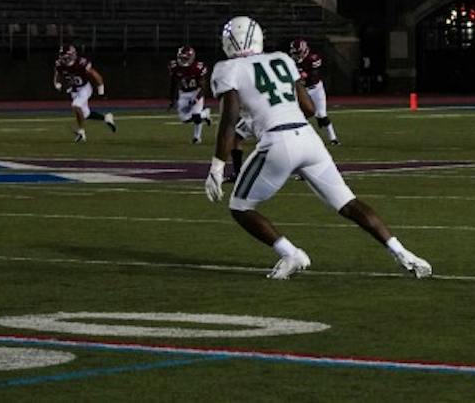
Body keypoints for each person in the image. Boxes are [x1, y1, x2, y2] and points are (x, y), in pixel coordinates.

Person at [204, 14, 431, 281]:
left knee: (240, 207)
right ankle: (404, 253)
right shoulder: (282, 59)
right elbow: (309, 109)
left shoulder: (226, 69)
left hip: (277, 143)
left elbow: (229, 120)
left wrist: (217, 165)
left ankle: (291, 254)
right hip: (309, 139)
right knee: (348, 202)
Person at [53, 44, 117, 142]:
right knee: (85, 114)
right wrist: (57, 83)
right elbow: (57, 75)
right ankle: (107, 118)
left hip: (84, 89)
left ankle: (81, 132)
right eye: (62, 57)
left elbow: (97, 76)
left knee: (76, 105)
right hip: (74, 91)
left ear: (72, 55)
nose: (64, 59)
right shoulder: (60, 64)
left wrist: (101, 92)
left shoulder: (81, 63)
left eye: (66, 56)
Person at [291, 38, 339, 145]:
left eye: (297, 52)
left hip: (315, 88)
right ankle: (301, 137)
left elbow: (312, 75)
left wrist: (303, 74)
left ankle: (333, 139)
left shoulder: (313, 58)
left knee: (322, 114)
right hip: (302, 90)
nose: (295, 55)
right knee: (299, 115)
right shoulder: (292, 60)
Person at [168, 45, 211, 144]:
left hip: (196, 91)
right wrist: (172, 99)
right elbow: (173, 83)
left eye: (185, 58)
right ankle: (205, 114)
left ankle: (197, 137)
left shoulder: (197, 68)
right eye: (181, 58)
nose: (182, 60)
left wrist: (196, 98)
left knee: (196, 115)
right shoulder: (175, 67)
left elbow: (203, 87)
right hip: (183, 93)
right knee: (184, 119)